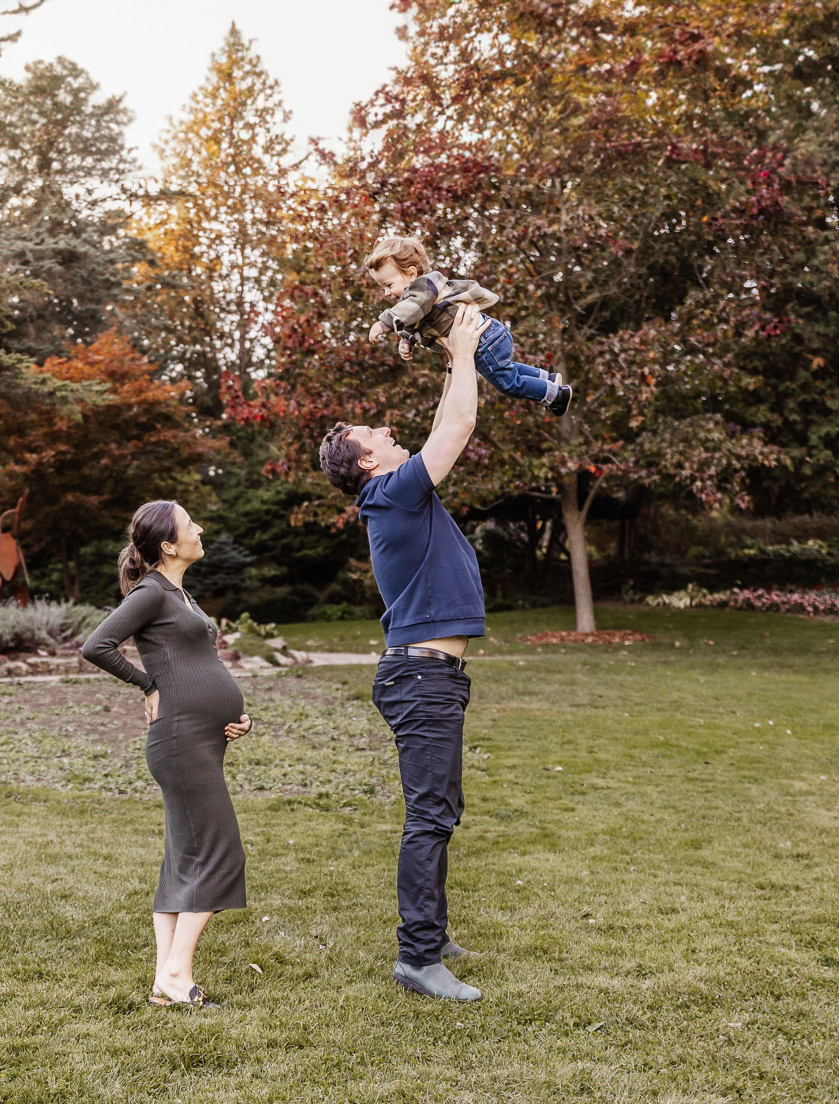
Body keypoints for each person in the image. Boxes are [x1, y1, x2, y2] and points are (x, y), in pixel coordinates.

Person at [318, 303, 490, 1002]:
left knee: (438, 810)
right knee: (430, 817)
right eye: (378, 433)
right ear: (366, 461)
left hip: (429, 677)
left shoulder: (397, 494)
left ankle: (433, 932)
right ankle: (417, 958)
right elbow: (458, 427)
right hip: (420, 679)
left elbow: (444, 419)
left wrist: (455, 356)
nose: (392, 431)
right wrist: (471, 353)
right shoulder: (389, 495)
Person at [81, 500, 253, 1010]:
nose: (200, 528)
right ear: (169, 546)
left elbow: (199, 662)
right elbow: (97, 645)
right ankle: (178, 975)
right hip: (180, 742)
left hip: (201, 737)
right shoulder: (151, 591)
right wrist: (146, 684)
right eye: (190, 525)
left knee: (183, 859)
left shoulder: (181, 592)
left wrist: (240, 715)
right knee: (221, 852)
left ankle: (165, 980)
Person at [365, 234, 573, 417]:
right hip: (487, 335)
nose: (386, 293)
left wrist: (384, 323)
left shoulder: (425, 286)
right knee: (506, 370)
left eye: (388, 285)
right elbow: (414, 319)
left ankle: (555, 395)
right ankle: (548, 378)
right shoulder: (416, 299)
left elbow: (413, 308)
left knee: (508, 383)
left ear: (411, 273)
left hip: (482, 340)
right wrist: (406, 340)